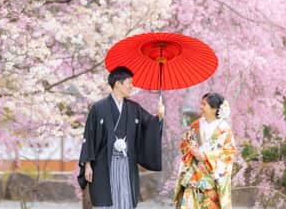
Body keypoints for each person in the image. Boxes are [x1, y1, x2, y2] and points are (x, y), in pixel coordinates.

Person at [77, 66, 165, 208]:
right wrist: (87, 165)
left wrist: (159, 116)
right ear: (118, 83)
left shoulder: (134, 108)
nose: (132, 86)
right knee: (105, 200)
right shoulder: (98, 108)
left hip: (126, 163)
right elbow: (89, 136)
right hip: (104, 163)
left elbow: (149, 125)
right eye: (129, 83)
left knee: (125, 200)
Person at [174, 92, 236, 209]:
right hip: (193, 175)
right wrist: (192, 150)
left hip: (211, 178)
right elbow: (184, 142)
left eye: (204, 104)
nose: (200, 107)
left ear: (214, 109)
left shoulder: (224, 129)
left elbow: (229, 152)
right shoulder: (196, 125)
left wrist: (207, 156)